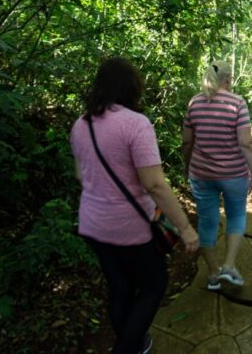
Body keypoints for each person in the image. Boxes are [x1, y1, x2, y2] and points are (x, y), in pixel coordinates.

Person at [70, 58, 199, 354]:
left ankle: (136, 344)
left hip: (92, 224)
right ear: (133, 87)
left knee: (120, 287)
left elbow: (80, 174)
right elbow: (154, 184)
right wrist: (185, 227)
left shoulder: (81, 124)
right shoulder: (136, 124)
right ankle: (127, 348)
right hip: (129, 227)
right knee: (154, 284)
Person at [182, 60, 252, 291]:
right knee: (236, 216)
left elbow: (187, 141)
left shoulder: (195, 102)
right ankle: (228, 266)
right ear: (228, 79)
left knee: (207, 222)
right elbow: (245, 142)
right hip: (234, 174)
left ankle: (213, 275)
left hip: (202, 174)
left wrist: (187, 167)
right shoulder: (238, 103)